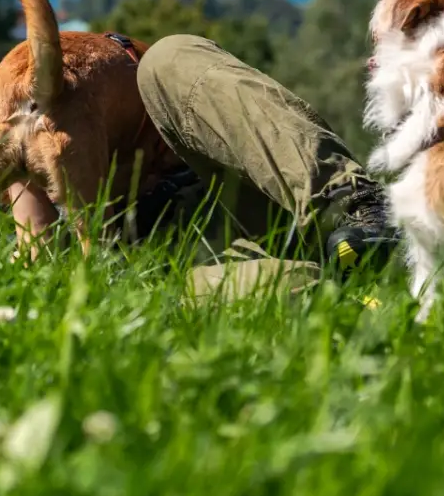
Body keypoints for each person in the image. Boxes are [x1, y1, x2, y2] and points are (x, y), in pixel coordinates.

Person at [128, 34, 399, 300]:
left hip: (233, 189)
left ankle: (360, 210)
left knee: (169, 58)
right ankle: (356, 303)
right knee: (303, 289)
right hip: (158, 261)